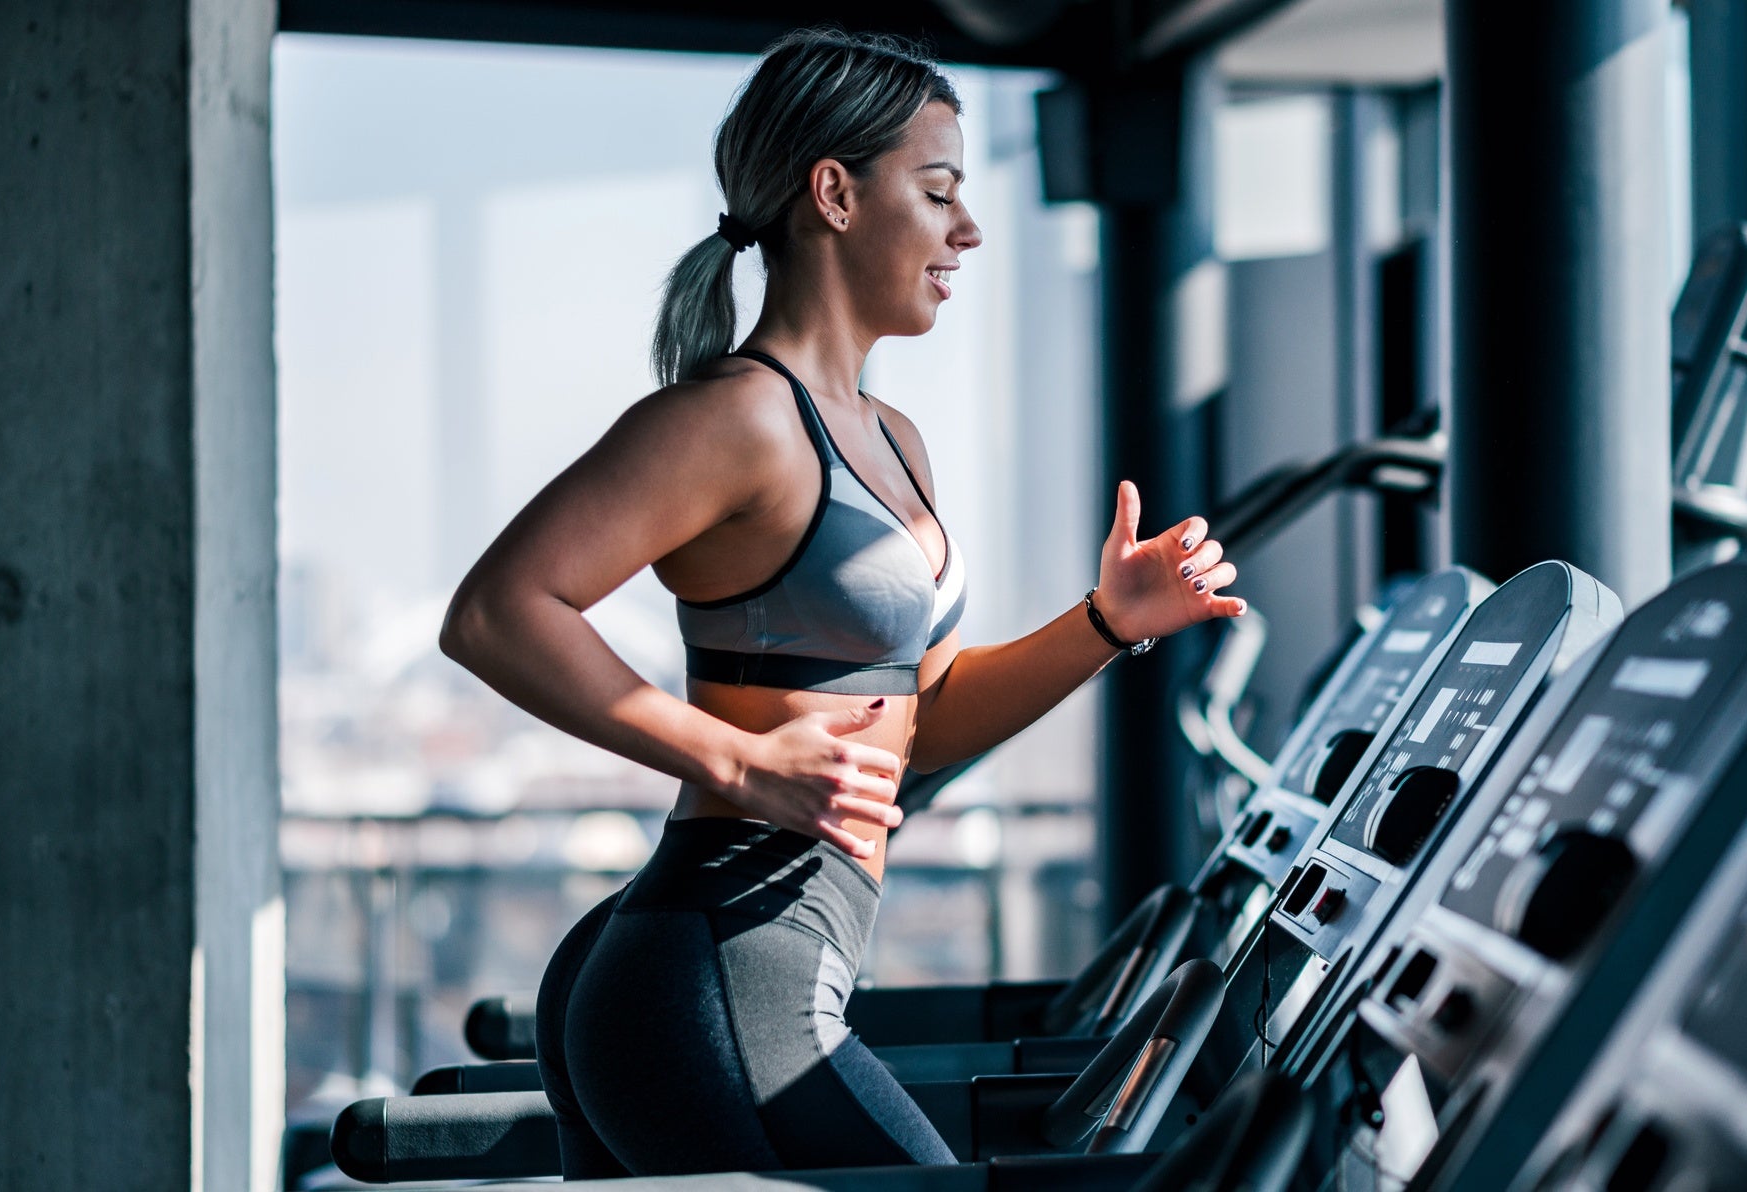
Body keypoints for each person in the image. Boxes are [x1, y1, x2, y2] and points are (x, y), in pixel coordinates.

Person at [439, 28, 1243, 1177]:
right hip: (721, 964)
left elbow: (927, 722)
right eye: (938, 191)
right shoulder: (735, 419)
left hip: (745, 958)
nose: (968, 230)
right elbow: (497, 611)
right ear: (835, 193)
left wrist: (1106, 622)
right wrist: (736, 759)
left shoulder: (892, 438)